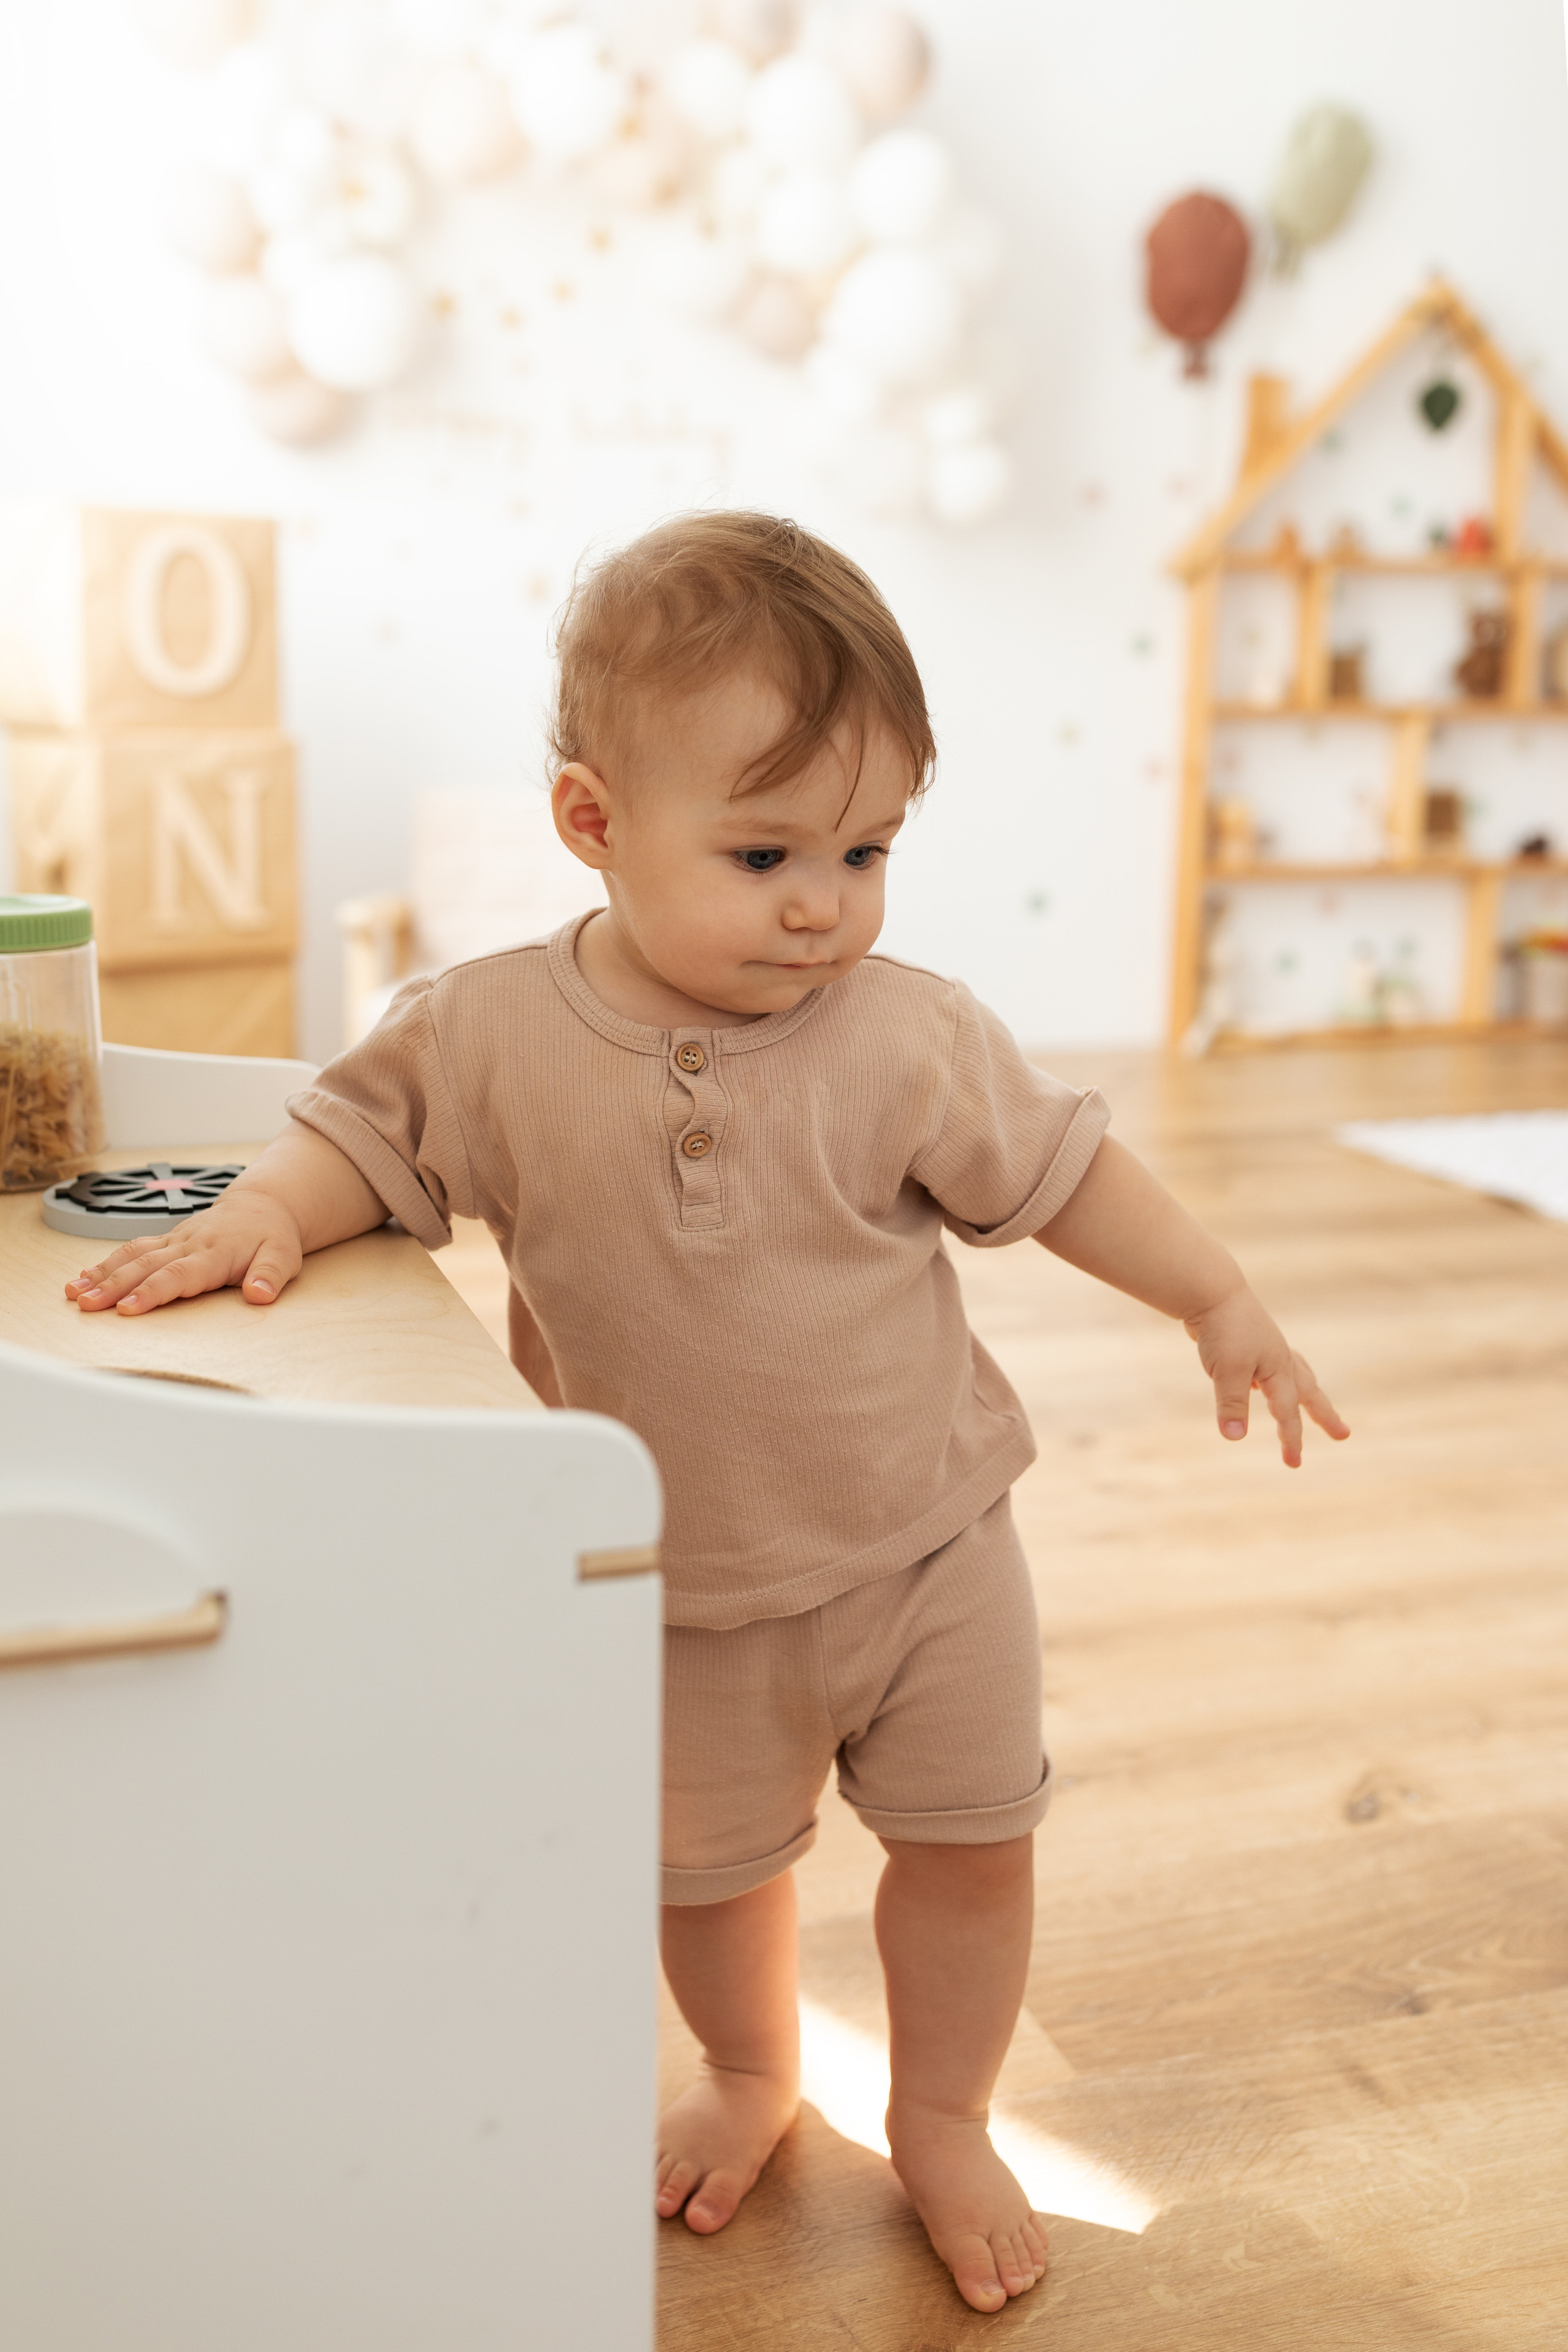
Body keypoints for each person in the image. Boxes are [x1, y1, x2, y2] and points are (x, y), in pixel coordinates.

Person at [66, 512, 1348, 2314]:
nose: (825, 902)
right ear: (593, 822)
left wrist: (1214, 1295)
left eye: (868, 848)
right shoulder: (491, 1036)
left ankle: (948, 2110)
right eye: (764, 852)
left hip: (928, 1550)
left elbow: (1069, 1174)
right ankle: (757, 2070)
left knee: (976, 1848)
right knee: (709, 1878)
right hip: (666, 1584)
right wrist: (262, 1218)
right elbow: (355, 1141)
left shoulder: (908, 1034)